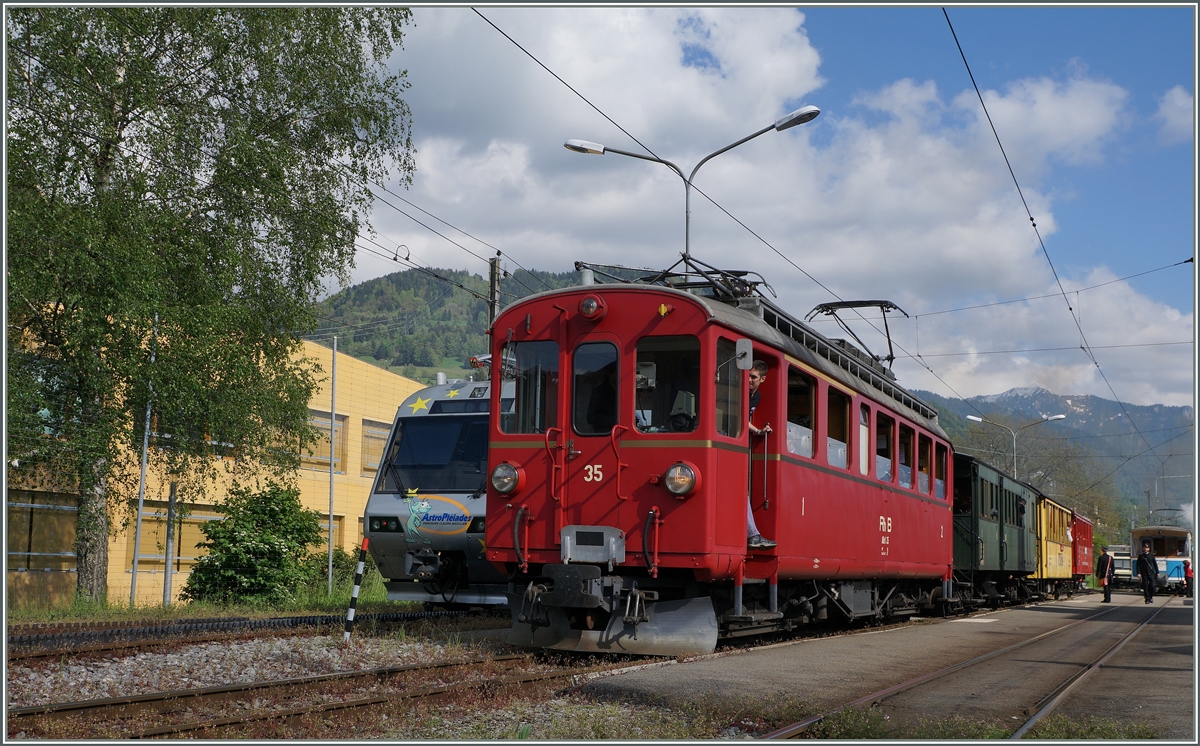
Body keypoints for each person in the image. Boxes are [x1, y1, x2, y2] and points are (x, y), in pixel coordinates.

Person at [746, 360, 775, 550]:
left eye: (753, 377)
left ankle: (753, 534)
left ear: (762, 379)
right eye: (747, 375)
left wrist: (760, 430)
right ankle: (752, 535)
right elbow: (739, 417)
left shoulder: (756, 397)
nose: (748, 379)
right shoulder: (739, 391)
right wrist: (757, 431)